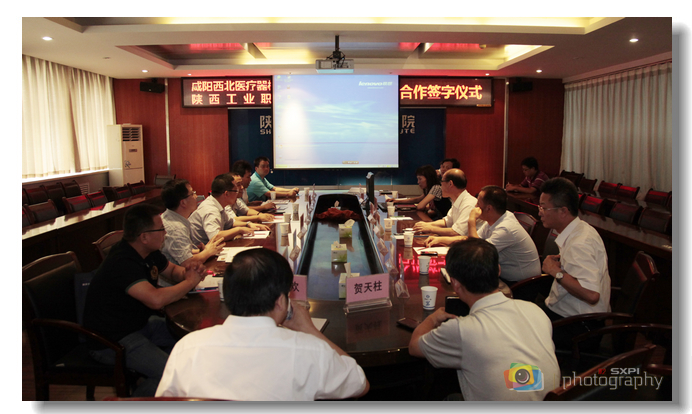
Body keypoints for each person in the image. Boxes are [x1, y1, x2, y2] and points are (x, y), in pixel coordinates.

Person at [155, 248, 370, 401]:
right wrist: (308, 329)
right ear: (281, 302)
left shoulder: (188, 348)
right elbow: (359, 384)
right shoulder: (309, 351)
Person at [408, 238, 560, 401]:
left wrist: (432, 319)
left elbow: (414, 346)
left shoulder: (462, 330)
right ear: (498, 271)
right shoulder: (535, 310)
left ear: (455, 283)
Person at [83, 203, 208, 397]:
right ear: (144, 237)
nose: (165, 233)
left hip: (138, 324)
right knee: (173, 374)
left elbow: (172, 271)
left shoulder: (148, 251)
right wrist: (190, 282)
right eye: (161, 229)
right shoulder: (122, 262)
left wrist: (189, 272)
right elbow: (155, 300)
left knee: (193, 342)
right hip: (112, 340)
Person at [538, 177, 611, 348]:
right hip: (566, 312)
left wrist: (555, 271)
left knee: (516, 333)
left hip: (579, 326)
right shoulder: (579, 229)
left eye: (544, 208)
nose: (540, 212)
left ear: (563, 211)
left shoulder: (579, 243)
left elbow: (591, 295)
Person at [425, 185, 541, 284]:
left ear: (489, 208)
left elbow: (478, 252)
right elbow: (470, 239)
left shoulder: (505, 228)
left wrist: (471, 220)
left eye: (478, 203)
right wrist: (440, 240)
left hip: (520, 283)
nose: (475, 206)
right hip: (501, 274)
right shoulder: (496, 218)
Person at [160, 178, 225, 269]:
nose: (196, 196)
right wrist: (208, 252)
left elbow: (182, 253)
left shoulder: (174, 217)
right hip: (176, 276)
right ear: (183, 202)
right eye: (192, 193)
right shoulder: (175, 228)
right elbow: (188, 263)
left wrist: (202, 251)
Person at [189, 174, 255, 246]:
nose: (237, 194)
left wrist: (248, 224)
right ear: (226, 194)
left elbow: (231, 222)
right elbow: (215, 237)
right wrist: (239, 230)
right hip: (200, 250)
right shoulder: (210, 209)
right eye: (236, 191)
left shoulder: (218, 204)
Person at [412, 169, 480, 237]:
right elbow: (446, 221)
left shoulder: (468, 204)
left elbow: (457, 232)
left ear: (450, 184)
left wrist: (430, 228)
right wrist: (426, 224)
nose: (440, 185)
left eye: (442, 181)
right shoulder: (457, 200)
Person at [386, 165, 451, 218]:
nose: (418, 182)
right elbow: (417, 199)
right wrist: (396, 201)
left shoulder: (436, 187)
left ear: (428, 178)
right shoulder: (429, 188)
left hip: (444, 219)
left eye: (420, 179)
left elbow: (420, 206)